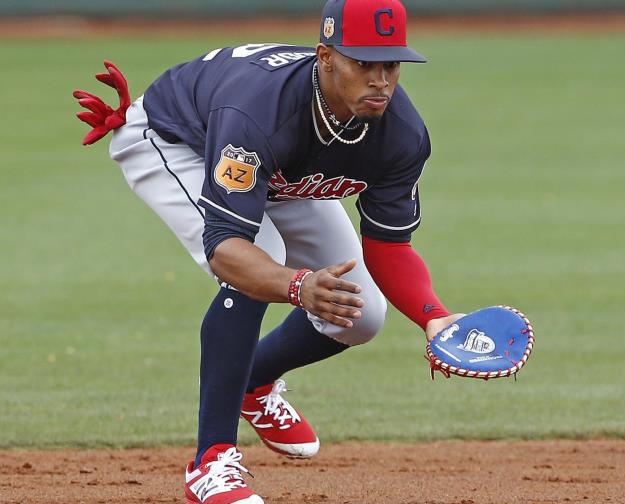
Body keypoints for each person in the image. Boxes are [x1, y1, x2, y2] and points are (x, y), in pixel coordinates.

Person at [74, 1, 463, 502]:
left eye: (391, 64)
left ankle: (252, 381)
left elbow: (389, 244)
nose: (381, 80)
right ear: (325, 57)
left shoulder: (401, 134)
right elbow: (227, 250)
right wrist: (297, 285)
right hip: (177, 140)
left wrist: (433, 317)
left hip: (280, 169)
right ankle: (209, 464)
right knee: (257, 261)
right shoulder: (259, 112)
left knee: (361, 316)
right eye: (364, 63)